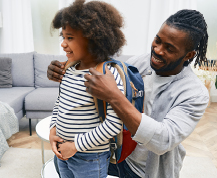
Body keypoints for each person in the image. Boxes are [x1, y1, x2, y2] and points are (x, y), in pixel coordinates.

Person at [48, 9, 209, 178]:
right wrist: (65, 67)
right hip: (116, 156)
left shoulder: (195, 94)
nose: (158, 50)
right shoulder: (137, 64)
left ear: (189, 55)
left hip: (143, 169)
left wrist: (114, 96)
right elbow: (99, 70)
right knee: (63, 164)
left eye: (169, 48)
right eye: (157, 40)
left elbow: (163, 140)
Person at [49, 0, 126, 177]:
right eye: (63, 37)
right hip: (63, 152)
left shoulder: (108, 75)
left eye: (70, 38)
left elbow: (114, 125)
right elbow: (60, 103)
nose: (63, 43)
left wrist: (75, 145)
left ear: (93, 39)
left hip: (90, 158)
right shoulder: (69, 69)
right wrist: (53, 129)